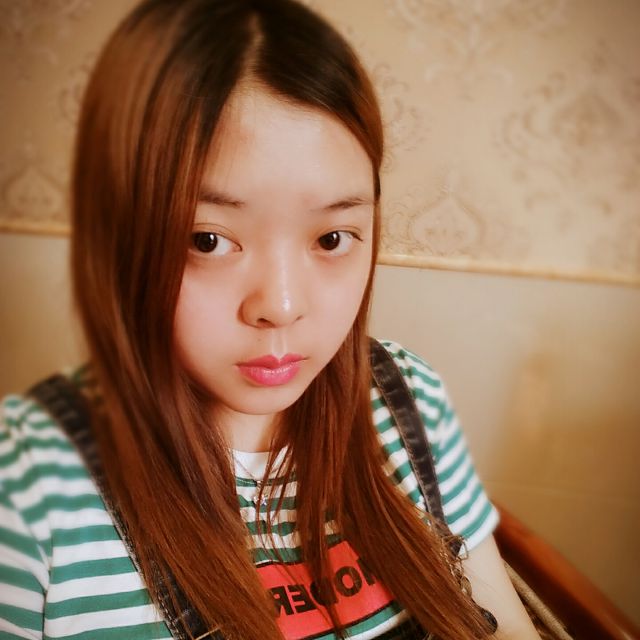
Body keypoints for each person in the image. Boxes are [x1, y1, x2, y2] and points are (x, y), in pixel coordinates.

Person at [0, 1, 541, 638]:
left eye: (332, 238)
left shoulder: (406, 400)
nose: (281, 306)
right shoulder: (29, 486)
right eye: (207, 241)